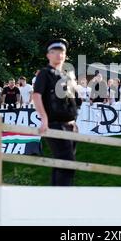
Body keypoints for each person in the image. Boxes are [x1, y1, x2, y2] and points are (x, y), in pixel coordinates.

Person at [33, 38, 81, 186]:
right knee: (67, 163)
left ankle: (54, 197)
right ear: (48, 55)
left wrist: (74, 121)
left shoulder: (66, 76)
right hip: (55, 124)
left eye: (62, 52)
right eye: (55, 52)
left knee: (61, 162)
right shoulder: (44, 74)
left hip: (70, 125)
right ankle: (63, 198)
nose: (59, 55)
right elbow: (36, 95)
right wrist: (44, 119)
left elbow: (74, 100)